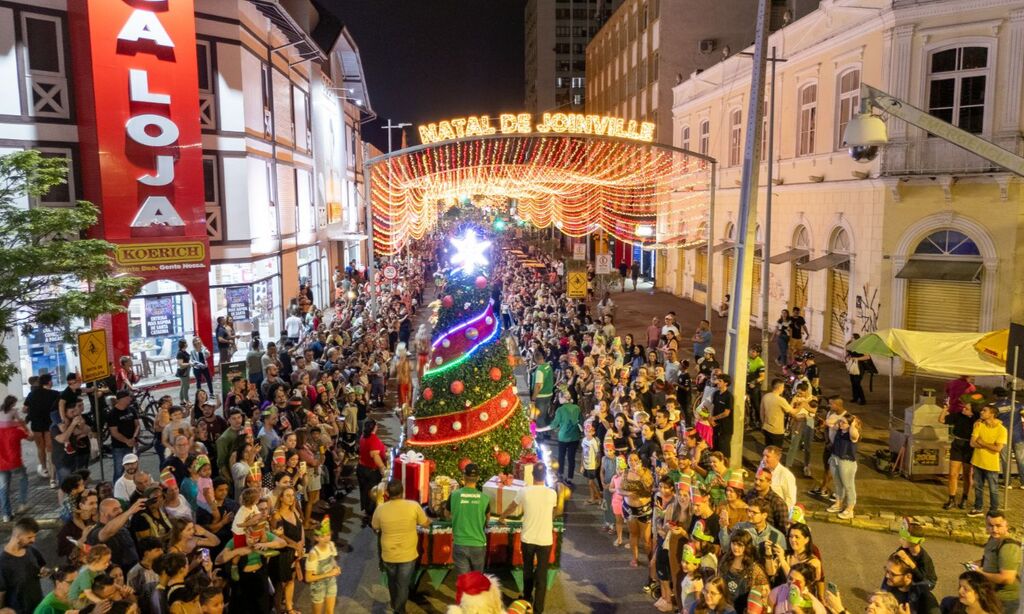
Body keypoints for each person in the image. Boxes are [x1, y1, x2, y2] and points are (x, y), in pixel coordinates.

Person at [501, 464, 558, 614]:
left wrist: (502, 517)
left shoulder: (524, 491)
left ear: (533, 475)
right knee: (541, 575)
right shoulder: (552, 493)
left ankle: (526, 600)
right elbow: (554, 511)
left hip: (528, 538)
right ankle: (538, 609)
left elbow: (512, 507)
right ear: (545, 476)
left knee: (527, 570)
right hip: (545, 539)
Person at [371, 480, 431, 614]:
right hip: (407, 555)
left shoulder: (380, 509)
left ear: (387, 493)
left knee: (392, 582)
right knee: (403, 585)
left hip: (389, 554)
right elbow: (425, 523)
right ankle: (399, 610)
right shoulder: (413, 506)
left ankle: (395, 604)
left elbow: (375, 527)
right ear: (402, 492)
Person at [446, 463, 491, 577]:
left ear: (464, 477)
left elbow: (447, 514)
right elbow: (487, 521)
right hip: (478, 544)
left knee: (464, 581)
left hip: (460, 543)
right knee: (477, 581)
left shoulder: (454, 495)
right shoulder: (484, 498)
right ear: (478, 478)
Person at [970, 511, 1020, 612]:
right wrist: (975, 563)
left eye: (998, 526)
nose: (994, 530)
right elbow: (990, 559)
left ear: (1006, 526)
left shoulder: (1009, 547)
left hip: (1004, 601)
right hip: (991, 595)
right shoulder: (993, 539)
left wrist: (981, 574)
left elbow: (1007, 578)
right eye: (990, 525)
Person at [967, 405, 1006, 517]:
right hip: (977, 461)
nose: (981, 412)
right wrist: (989, 445)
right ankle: (978, 508)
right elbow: (972, 443)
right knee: (978, 487)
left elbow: (998, 448)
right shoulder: (979, 425)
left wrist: (982, 443)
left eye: (984, 411)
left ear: (992, 414)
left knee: (993, 489)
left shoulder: (1002, 430)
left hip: (991, 464)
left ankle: (994, 510)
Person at [0, 517, 45, 614]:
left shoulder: (32, 550)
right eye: (29, 537)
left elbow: (41, 567)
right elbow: (1, 592)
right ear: (18, 536)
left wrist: (44, 571)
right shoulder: (2, 562)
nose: (33, 540)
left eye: (34, 536)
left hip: (39, 606)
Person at [537, 392, 582, 483]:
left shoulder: (560, 410)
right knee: (571, 458)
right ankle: (570, 478)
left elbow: (553, 425)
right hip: (575, 437)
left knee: (561, 456)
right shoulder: (577, 408)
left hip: (563, 437)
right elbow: (580, 421)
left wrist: (539, 430)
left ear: (563, 398)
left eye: (559, 398)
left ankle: (560, 474)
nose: (558, 399)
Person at [22, 373, 59, 484]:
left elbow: (24, 409)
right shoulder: (54, 394)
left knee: (40, 448)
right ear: (49, 382)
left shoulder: (32, 394)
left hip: (36, 425)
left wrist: (33, 411)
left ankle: (44, 468)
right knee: (50, 448)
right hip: (49, 424)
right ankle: (53, 472)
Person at [826, 412, 860, 520]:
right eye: (841, 421)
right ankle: (838, 503)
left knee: (848, 485)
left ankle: (850, 508)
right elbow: (828, 423)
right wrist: (839, 420)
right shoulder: (839, 431)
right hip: (835, 458)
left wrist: (853, 424)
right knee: (838, 483)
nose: (841, 424)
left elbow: (853, 434)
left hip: (847, 462)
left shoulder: (852, 434)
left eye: (844, 422)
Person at [0, 397, 29, 521]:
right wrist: (24, 427)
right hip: (15, 461)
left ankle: (6, 514)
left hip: (1, 464)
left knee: (3, 488)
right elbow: (30, 437)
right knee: (23, 478)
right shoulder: (16, 431)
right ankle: (22, 503)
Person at [304, 518, 339, 614]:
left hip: (331, 582)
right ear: (316, 538)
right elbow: (308, 578)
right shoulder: (314, 554)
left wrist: (336, 567)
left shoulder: (331, 545)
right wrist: (329, 574)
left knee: (330, 611)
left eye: (328, 535)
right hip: (318, 586)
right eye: (322, 536)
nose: (326, 538)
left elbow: (333, 559)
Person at [357, 419, 387, 523]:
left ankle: (367, 512)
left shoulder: (363, 436)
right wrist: (383, 468)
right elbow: (374, 455)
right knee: (373, 493)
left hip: (361, 468)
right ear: (374, 427)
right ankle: (372, 515)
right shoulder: (373, 439)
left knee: (364, 491)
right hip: (371, 471)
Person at [107, 391, 139, 483]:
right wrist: (127, 441)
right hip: (119, 447)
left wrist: (134, 437)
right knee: (119, 470)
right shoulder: (113, 414)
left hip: (132, 444)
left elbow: (137, 425)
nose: (130, 399)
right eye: (128, 397)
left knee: (134, 468)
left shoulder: (132, 409)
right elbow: (114, 432)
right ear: (122, 399)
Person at [761, 446, 796, 512]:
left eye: (767, 456)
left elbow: (790, 500)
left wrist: (783, 516)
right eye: (763, 455)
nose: (764, 459)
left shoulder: (786, 475)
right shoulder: (762, 466)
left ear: (777, 458)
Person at [760, 380, 792, 451]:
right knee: (776, 451)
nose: (783, 389)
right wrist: (802, 405)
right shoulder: (781, 400)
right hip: (777, 430)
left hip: (767, 428)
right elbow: (792, 412)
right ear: (779, 388)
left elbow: (762, 412)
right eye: (783, 387)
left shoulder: (766, 396)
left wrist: (763, 424)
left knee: (768, 449)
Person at [710, 375, 734, 459]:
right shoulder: (716, 394)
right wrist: (710, 418)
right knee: (715, 448)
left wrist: (714, 418)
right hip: (715, 426)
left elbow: (726, 413)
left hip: (725, 428)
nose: (717, 382)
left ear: (726, 383)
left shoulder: (728, 396)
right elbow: (712, 407)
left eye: (720, 381)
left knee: (724, 451)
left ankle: (727, 469)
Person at [531, 351, 554, 427]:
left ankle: (540, 436)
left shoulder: (540, 370)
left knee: (538, 416)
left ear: (535, 360)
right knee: (544, 415)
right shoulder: (548, 366)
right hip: (549, 394)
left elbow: (538, 386)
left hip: (541, 397)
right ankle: (546, 433)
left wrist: (533, 399)